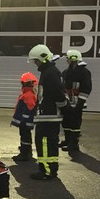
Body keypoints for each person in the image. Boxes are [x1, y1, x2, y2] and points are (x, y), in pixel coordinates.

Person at [27, 44, 70, 180]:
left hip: (49, 116)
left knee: (45, 143)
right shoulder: (49, 72)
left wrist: (64, 108)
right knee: (47, 143)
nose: (35, 63)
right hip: (47, 115)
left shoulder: (50, 73)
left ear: (42, 59)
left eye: (36, 61)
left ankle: (47, 171)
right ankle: (49, 169)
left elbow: (58, 95)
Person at [59, 49, 92, 153]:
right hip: (67, 101)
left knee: (75, 123)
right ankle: (67, 140)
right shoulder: (65, 72)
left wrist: (80, 103)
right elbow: (63, 87)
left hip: (77, 102)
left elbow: (86, 88)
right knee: (66, 121)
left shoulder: (84, 72)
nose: (67, 60)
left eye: (68, 59)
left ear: (73, 59)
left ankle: (74, 144)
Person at [11, 72, 38, 162]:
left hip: (25, 121)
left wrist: (24, 120)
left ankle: (25, 153)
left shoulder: (28, 94)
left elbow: (29, 108)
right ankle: (26, 152)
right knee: (25, 136)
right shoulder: (28, 93)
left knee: (25, 136)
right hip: (25, 121)